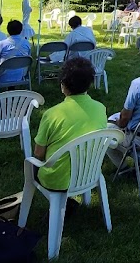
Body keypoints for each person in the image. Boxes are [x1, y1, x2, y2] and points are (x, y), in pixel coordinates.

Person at [32, 58, 109, 197]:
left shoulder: (51, 114)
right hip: (89, 174)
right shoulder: (101, 109)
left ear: (63, 84)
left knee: (31, 164)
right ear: (89, 83)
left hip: (56, 181)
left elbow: (38, 153)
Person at [0, 20, 30, 85]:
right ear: (21, 30)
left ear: (8, 30)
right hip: (20, 75)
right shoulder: (27, 43)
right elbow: (28, 59)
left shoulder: (1, 44)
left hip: (3, 76)